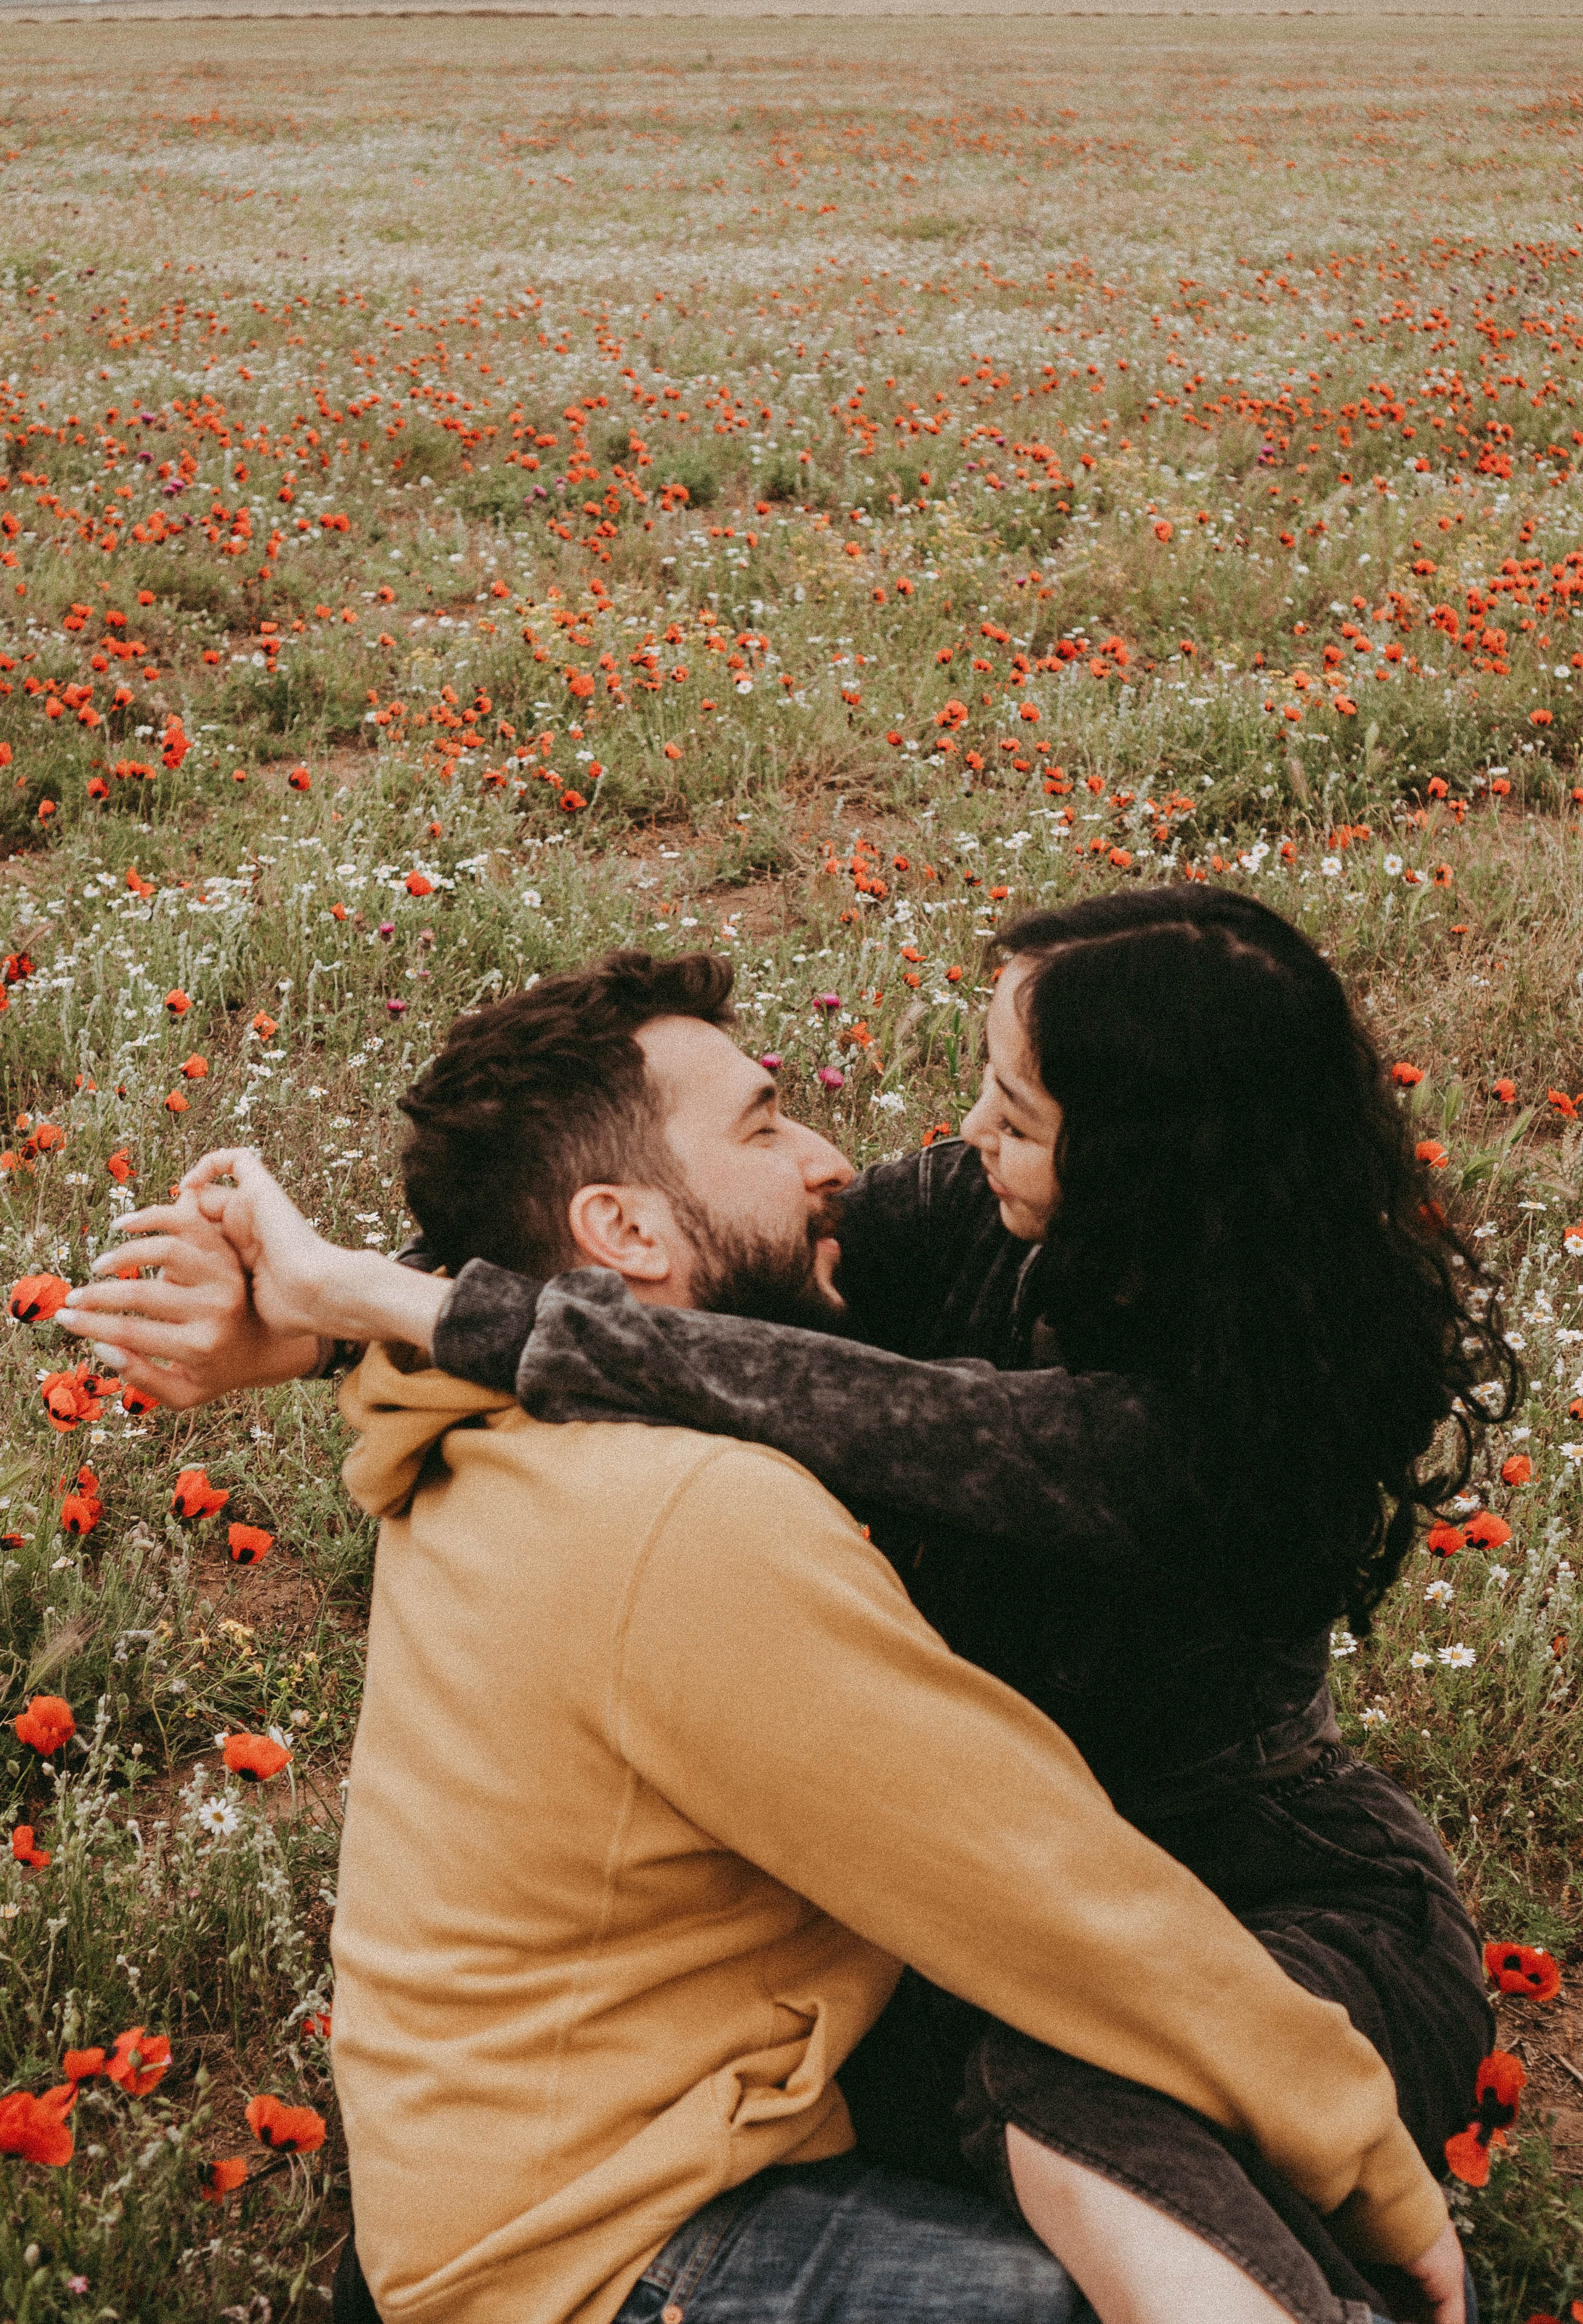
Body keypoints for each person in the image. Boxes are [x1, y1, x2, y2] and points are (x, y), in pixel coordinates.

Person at [58, 928, 1475, 2324]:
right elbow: (598, 1224)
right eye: (775, 1121)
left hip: (1242, 1897)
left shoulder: (1202, 1446)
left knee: (1076, 2097)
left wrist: (366, 1302)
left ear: (1133, 1172)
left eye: (1017, 1113)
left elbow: (824, 1391)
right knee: (1053, 2107)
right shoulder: (929, 1262)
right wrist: (318, 1313)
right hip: (962, 1938)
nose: (885, 1154)